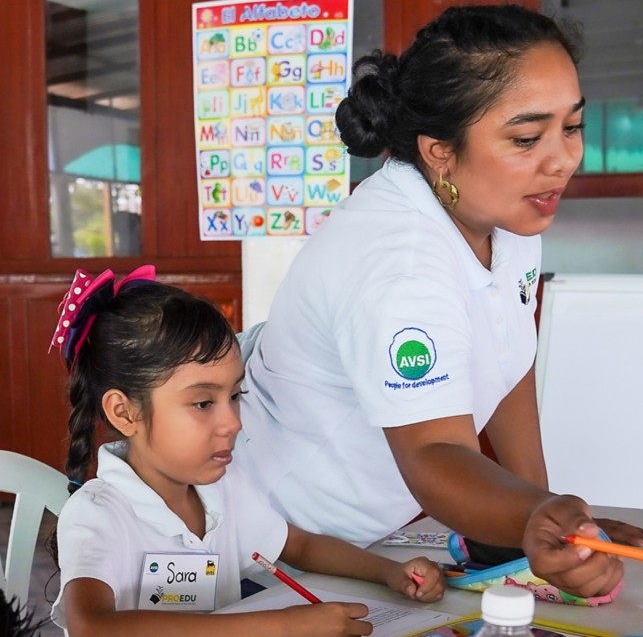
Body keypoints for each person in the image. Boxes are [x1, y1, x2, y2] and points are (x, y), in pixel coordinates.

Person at [236, 3, 643, 600]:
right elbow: (434, 452)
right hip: (263, 552)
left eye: (573, 126)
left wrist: (543, 519)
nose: (562, 159)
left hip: (356, 544)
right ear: (438, 151)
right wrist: (533, 520)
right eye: (527, 138)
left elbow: (508, 362)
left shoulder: (506, 216)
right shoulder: (399, 261)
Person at [48, 267, 445, 637]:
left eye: (236, 395)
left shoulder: (222, 489)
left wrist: (389, 573)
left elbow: (298, 545)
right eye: (204, 403)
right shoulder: (99, 513)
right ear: (125, 412)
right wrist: (283, 626)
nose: (233, 422)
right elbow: (93, 627)